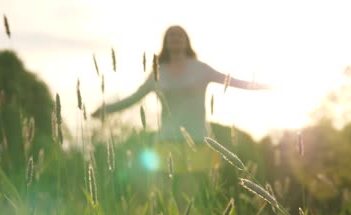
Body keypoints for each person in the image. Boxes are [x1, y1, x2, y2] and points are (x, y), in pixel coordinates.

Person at [92, 25, 270, 175]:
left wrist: (266, 86)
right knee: (169, 197)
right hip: (167, 141)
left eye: (179, 35)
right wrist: (106, 109)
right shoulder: (157, 72)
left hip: (199, 140)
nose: (175, 38)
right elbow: (133, 98)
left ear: (186, 41)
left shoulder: (201, 68)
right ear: (165, 42)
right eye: (171, 35)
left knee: (193, 196)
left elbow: (231, 81)